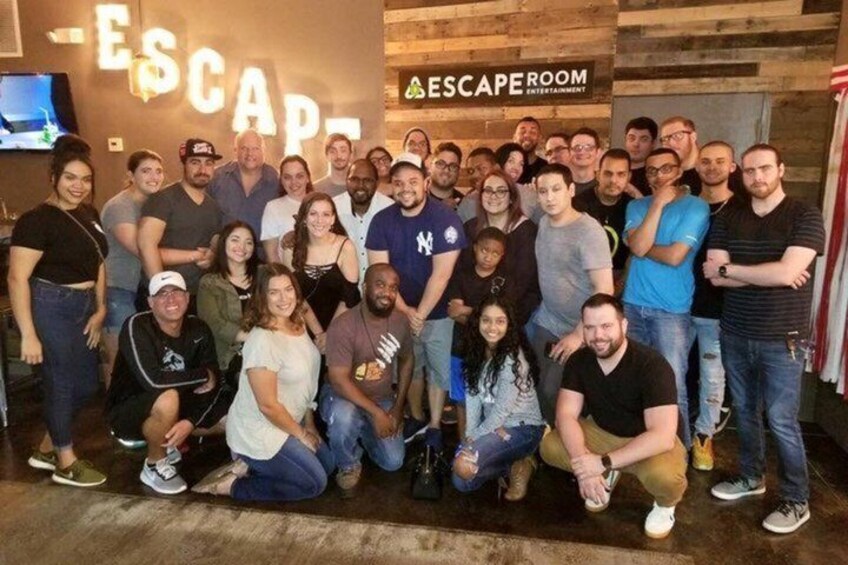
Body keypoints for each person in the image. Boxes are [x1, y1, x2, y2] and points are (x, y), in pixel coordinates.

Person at [705, 144, 825, 534]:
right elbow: (714, 275)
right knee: (744, 410)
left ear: (781, 170)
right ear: (741, 173)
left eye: (765, 169)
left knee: (781, 420)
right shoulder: (730, 216)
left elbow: (786, 272)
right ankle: (750, 477)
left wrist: (734, 269)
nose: (758, 177)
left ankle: (796, 499)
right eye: (750, 170)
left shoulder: (804, 214)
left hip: (783, 338)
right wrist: (771, 273)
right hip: (736, 331)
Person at [540, 293, 688, 539]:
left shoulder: (652, 365)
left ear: (624, 325)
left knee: (665, 479)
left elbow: (662, 436)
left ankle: (665, 506)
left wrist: (602, 462)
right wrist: (585, 466)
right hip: (603, 432)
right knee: (550, 446)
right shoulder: (579, 361)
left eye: (606, 326)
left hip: (646, 442)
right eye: (590, 327)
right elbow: (565, 415)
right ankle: (605, 473)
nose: (598, 335)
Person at [10, 134, 109, 487]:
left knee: (86, 385)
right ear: (54, 178)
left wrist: (100, 308)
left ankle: (46, 449)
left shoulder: (88, 213)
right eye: (70, 178)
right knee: (61, 382)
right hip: (51, 306)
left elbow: (99, 262)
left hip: (84, 307)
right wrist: (28, 334)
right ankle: (66, 460)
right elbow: (17, 278)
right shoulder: (36, 220)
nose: (78, 186)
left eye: (85, 179)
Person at [193, 264, 335, 500]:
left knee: (328, 467)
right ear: (262, 297)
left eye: (288, 289)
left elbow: (307, 384)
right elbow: (267, 406)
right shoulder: (262, 340)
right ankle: (233, 485)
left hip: (290, 419)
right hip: (261, 430)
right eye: (274, 292)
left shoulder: (297, 323)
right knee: (314, 484)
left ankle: (250, 468)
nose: (284, 298)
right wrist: (302, 435)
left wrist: (310, 424)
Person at [366, 152, 466, 448]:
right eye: (398, 182)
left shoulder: (445, 218)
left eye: (412, 181)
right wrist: (406, 312)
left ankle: (434, 424)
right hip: (397, 311)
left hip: (438, 312)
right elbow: (380, 275)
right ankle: (417, 417)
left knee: (438, 370)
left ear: (426, 182)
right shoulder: (381, 221)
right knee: (409, 365)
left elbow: (442, 274)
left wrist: (419, 314)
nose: (405, 188)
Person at [106, 271, 229, 495]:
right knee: (168, 396)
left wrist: (191, 422)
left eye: (176, 292)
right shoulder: (137, 325)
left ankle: (169, 440)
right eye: (161, 294)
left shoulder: (199, 328)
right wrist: (202, 376)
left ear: (187, 297)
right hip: (129, 410)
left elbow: (214, 383)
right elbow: (153, 381)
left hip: (180, 406)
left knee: (231, 419)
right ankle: (155, 464)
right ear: (150, 302)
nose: (170, 299)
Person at [623, 147, 710, 450]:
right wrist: (657, 204)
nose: (658, 176)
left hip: (671, 311)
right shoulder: (637, 206)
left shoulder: (696, 207)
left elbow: (675, 256)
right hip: (633, 305)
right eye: (651, 170)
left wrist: (644, 246)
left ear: (679, 171)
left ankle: (678, 453)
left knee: (672, 386)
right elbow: (637, 247)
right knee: (634, 381)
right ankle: (638, 449)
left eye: (666, 169)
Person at [529, 163, 614, 424]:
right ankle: (546, 439)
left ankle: (571, 441)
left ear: (571, 190)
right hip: (547, 321)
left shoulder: (589, 232)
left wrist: (579, 334)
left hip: (578, 328)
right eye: (543, 191)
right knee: (537, 386)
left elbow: (605, 289)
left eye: (556, 189)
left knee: (557, 392)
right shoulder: (544, 222)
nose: (550, 197)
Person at [321, 264, 414, 496]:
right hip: (342, 395)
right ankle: (348, 464)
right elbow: (338, 380)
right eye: (380, 285)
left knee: (393, 462)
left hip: (381, 396)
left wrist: (398, 406)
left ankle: (360, 431)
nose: (387, 293)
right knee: (343, 418)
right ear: (364, 287)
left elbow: (407, 360)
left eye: (393, 288)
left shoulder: (401, 321)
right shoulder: (343, 325)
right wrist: (378, 414)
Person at [452, 294, 545, 500]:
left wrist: (475, 438)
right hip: (494, 426)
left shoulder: (512, 360)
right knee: (462, 478)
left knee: (463, 467)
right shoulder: (476, 351)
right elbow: (473, 398)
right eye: (486, 320)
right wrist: (470, 436)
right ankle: (513, 465)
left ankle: (520, 458)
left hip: (523, 428)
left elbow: (502, 411)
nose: (492, 327)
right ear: (478, 322)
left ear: (509, 325)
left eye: (500, 321)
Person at [688, 141, 739, 471]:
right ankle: (672, 437)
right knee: (672, 374)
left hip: (717, 310)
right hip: (678, 305)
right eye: (705, 161)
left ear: (732, 167)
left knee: (712, 379)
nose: (712, 167)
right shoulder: (687, 205)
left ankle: (704, 437)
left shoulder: (741, 209)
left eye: (720, 161)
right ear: (697, 166)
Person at [101, 149, 165, 386]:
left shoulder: (152, 205)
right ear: (131, 175)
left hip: (138, 289)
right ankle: (113, 408)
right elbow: (141, 248)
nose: (154, 177)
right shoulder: (120, 206)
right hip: (115, 289)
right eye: (146, 171)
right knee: (119, 357)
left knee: (139, 357)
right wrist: (193, 255)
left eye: (158, 171)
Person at [137, 138, 223, 305]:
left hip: (198, 295)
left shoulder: (213, 206)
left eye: (208, 163)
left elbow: (213, 243)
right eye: (195, 162)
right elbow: (146, 247)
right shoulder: (162, 199)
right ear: (184, 164)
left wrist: (212, 255)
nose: (202, 169)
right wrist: (163, 291)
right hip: (164, 297)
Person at [447, 227, 512, 438]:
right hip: (461, 348)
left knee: (491, 399)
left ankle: (487, 445)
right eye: (484, 250)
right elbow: (453, 312)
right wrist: (485, 316)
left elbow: (501, 319)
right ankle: (464, 443)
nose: (488, 257)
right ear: (475, 248)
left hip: (491, 351)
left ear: (502, 255)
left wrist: (468, 311)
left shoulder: (504, 281)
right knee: (462, 400)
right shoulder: (461, 275)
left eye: (495, 253)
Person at [463, 169, 540, 325]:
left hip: (512, 314)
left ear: (511, 198)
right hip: (472, 309)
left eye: (501, 191)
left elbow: (522, 284)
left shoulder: (526, 231)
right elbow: (463, 272)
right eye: (488, 190)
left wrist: (481, 312)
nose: (493, 196)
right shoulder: (470, 227)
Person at [281, 192, 360, 343]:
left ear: (333, 219)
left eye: (325, 214)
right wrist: (318, 334)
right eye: (313, 214)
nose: (319, 220)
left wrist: (329, 334)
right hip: (304, 327)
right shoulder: (290, 248)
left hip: (343, 325)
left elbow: (349, 296)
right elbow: (296, 297)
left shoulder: (345, 246)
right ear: (304, 218)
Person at [197, 221, 260, 388]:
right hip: (233, 355)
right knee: (253, 381)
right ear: (223, 243)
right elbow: (215, 325)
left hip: (269, 348)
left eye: (248, 242)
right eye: (235, 240)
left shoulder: (264, 275)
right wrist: (257, 338)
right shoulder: (209, 283)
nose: (242, 247)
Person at [207, 129, 279, 258]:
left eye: (255, 148)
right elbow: (202, 215)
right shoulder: (216, 177)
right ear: (235, 150)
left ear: (263, 150)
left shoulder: (277, 181)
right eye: (244, 148)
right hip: (223, 258)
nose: (250, 153)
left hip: (263, 259)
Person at [573, 149, 633, 295]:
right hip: (582, 278)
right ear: (598, 174)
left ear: (629, 177)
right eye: (608, 173)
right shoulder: (578, 204)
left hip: (621, 280)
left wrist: (620, 285)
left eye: (621, 174)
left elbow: (634, 254)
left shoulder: (632, 207)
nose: (613, 180)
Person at [333, 158, 393, 285]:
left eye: (367, 180)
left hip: (381, 288)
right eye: (354, 179)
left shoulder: (390, 210)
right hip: (342, 290)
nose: (360, 185)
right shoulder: (332, 209)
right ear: (346, 181)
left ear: (377, 183)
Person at [261, 155, 314, 263]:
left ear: (308, 178)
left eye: (299, 176)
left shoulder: (321, 205)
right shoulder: (273, 207)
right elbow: (272, 256)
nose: (294, 182)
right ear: (281, 180)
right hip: (288, 271)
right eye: (287, 177)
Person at [495, 142, 537, 221]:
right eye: (511, 161)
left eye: (521, 164)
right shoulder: (483, 193)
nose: (516, 168)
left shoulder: (528, 194)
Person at [456, 147, 497, 223]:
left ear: (496, 168)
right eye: (470, 171)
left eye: (481, 168)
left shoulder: (514, 196)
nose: (475, 175)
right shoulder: (467, 204)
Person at [624, 117, 657, 196]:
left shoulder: (656, 176)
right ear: (625, 140)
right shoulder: (615, 170)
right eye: (631, 138)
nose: (636, 144)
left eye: (643, 139)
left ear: (653, 143)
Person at [314, 133, 353, 198]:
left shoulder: (358, 187)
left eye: (343, 151)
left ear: (351, 154)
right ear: (326, 155)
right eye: (333, 151)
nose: (339, 156)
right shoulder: (315, 189)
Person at [429, 142, 464, 210]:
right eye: (441, 164)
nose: (446, 170)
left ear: (458, 171)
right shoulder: (417, 199)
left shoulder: (465, 205)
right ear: (430, 167)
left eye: (453, 166)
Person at [513, 116, 547, 183]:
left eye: (533, 132)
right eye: (522, 132)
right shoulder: (505, 168)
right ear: (514, 138)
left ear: (539, 138)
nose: (527, 135)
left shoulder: (546, 168)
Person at [569, 127, 601, 196]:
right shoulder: (562, 186)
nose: (582, 152)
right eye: (577, 148)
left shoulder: (603, 187)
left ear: (598, 152)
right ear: (569, 152)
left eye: (588, 148)